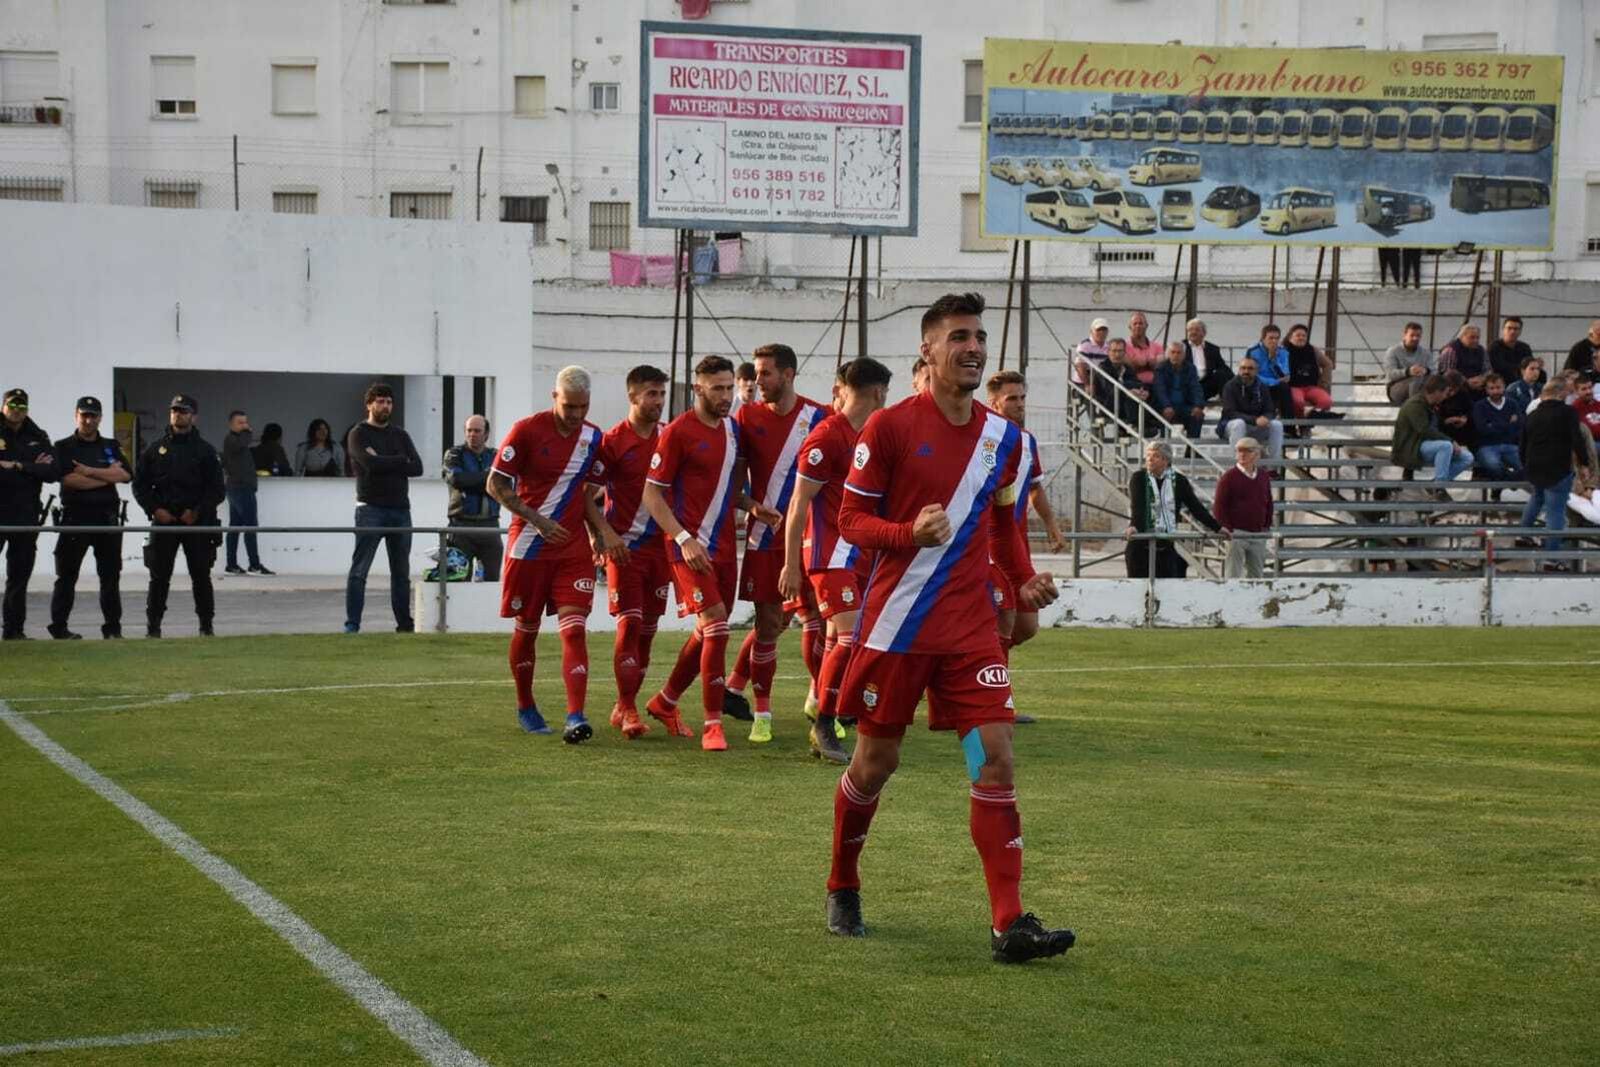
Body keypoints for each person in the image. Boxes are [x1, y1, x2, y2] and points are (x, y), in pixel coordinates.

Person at [825, 291, 1072, 963]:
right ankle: (843, 881)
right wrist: (908, 531)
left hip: (969, 633)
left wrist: (1021, 579)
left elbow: (1002, 524)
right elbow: (849, 522)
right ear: (928, 351)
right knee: (877, 763)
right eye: (958, 336)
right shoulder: (888, 429)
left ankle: (1008, 922)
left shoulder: (1006, 440)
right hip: (897, 628)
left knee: (991, 754)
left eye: (978, 335)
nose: (972, 346)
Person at [641, 355, 782, 752]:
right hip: (687, 548)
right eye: (716, 388)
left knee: (707, 631)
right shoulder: (677, 432)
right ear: (698, 388)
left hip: (722, 548)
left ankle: (666, 701)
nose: (725, 395)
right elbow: (652, 494)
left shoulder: (733, 432)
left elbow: (726, 490)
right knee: (718, 627)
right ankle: (712, 724)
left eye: (727, 387)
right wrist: (684, 538)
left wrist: (752, 506)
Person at [486, 366, 613, 742]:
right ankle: (526, 705)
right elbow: (495, 483)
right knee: (526, 630)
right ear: (554, 396)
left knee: (574, 631)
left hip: (572, 549)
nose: (575, 414)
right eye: (569, 405)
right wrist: (537, 520)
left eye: (583, 406)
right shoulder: (526, 430)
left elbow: (586, 496)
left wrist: (597, 532)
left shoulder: (593, 439)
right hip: (528, 545)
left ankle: (576, 715)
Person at [780, 356, 893, 763]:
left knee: (836, 640)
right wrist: (791, 565)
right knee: (851, 638)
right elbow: (798, 504)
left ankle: (825, 704)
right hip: (830, 557)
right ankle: (826, 723)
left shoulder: (871, 436)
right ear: (879, 391)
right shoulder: (827, 436)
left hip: (859, 556)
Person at [724, 343, 829, 742]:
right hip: (765, 538)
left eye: (765, 373)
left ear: (788, 375)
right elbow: (733, 485)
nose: (757, 381)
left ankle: (821, 701)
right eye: (755, 373)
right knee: (769, 624)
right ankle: (762, 714)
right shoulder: (746, 418)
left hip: (810, 539)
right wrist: (752, 507)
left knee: (818, 622)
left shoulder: (819, 417)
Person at [596, 365, 673, 740]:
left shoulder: (669, 438)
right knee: (629, 623)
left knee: (648, 630)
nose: (658, 401)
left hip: (661, 549)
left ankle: (624, 701)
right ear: (632, 396)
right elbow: (584, 497)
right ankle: (627, 706)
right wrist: (603, 535)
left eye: (661, 394)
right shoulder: (613, 441)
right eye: (651, 394)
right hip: (625, 549)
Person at [985, 370, 1064, 671]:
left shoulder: (1027, 441)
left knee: (1026, 624)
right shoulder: (986, 441)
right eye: (1012, 399)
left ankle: (974, 666)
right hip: (992, 543)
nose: (1020, 404)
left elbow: (1035, 487)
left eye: (1022, 398)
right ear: (994, 403)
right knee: (1004, 618)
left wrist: (1052, 526)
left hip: (1017, 542)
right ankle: (994, 697)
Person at [134, 394, 226, 638]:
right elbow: (140, 485)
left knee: (201, 576)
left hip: (196, 522)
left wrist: (196, 511)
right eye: (175, 410)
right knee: (159, 578)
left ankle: (206, 626)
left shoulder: (205, 451)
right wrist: (155, 510)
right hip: (164, 521)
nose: (178, 414)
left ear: (193, 416)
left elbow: (217, 490)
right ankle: (153, 628)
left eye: (183, 411)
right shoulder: (156, 449)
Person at [344, 382, 423, 634]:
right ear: (369, 404)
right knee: (359, 571)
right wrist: (400, 460)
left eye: (389, 402)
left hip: (400, 510)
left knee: (401, 573)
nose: (385, 406)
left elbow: (417, 467)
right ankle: (352, 624)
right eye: (380, 401)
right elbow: (368, 463)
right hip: (370, 510)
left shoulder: (400, 434)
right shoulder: (358, 433)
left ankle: (404, 625)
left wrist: (384, 460)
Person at [48, 396, 129, 639]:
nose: (88, 420)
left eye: (93, 415)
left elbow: (125, 475)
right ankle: (60, 628)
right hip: (75, 518)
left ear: (100, 418)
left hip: (106, 519)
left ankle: (112, 629)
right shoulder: (63, 447)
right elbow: (68, 479)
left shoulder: (110, 446)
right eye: (84, 414)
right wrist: (106, 477)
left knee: (110, 578)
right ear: (76, 416)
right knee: (66, 577)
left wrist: (89, 472)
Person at [0, 388, 57, 640]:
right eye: (13, 405)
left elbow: (52, 472)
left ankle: (14, 631)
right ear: (3, 405)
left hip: (25, 515)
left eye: (22, 406)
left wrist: (15, 465)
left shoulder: (37, 435)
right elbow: (40, 470)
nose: (17, 410)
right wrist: (32, 467)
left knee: (19, 577)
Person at [1520, 381, 1592, 571]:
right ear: (1560, 394)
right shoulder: (1568, 413)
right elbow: (1577, 439)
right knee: (1555, 512)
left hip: (1534, 467)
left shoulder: (1532, 415)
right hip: (1557, 467)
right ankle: (1552, 558)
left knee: (1536, 498)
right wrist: (1584, 463)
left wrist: (1525, 465)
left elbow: (1523, 444)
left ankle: (1522, 534)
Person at [1124, 440, 1219, 578]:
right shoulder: (1139, 478)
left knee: (1169, 585)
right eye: (1148, 455)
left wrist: (1217, 527)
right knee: (1138, 590)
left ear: (1166, 460)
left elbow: (1196, 507)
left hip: (1165, 544)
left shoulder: (1179, 481)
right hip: (1140, 545)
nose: (1150, 459)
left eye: (1155, 456)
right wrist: (1134, 525)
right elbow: (1138, 507)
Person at [442, 415, 502, 582]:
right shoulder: (454, 454)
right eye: (469, 430)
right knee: (458, 582)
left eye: (477, 431)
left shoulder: (496, 455)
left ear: (486, 434)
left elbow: (504, 484)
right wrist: (487, 478)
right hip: (461, 526)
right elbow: (457, 480)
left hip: (490, 526)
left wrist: (472, 480)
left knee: (491, 582)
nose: (472, 434)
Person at [1391, 375, 1473, 487]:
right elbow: (1424, 430)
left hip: (1426, 444)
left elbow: (1434, 428)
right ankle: (1439, 487)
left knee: (1467, 458)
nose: (1446, 396)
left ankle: (1435, 484)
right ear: (1437, 392)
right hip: (1413, 446)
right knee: (1446, 446)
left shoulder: (1431, 405)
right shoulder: (1414, 405)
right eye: (1445, 392)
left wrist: (1447, 422)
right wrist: (1451, 441)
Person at [1213, 437, 1272, 578]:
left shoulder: (1263, 476)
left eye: (1247, 451)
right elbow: (1219, 506)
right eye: (1239, 451)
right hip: (1237, 533)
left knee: (1257, 576)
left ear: (1257, 454)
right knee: (1233, 575)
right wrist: (1228, 529)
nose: (1242, 454)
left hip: (1258, 533)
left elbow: (1268, 502)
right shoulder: (1229, 477)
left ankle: (1255, 600)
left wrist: (1266, 525)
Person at [222, 410, 271, 576]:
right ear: (231, 424)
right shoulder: (232, 440)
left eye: (246, 422)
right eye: (240, 423)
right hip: (240, 488)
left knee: (235, 526)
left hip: (240, 487)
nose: (245, 426)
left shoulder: (237, 440)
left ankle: (231, 564)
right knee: (250, 525)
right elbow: (243, 443)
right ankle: (254, 565)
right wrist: (248, 432)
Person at [1219, 355, 1285, 461]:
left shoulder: (1262, 387)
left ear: (1256, 371)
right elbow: (1230, 412)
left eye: (1250, 368)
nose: (1246, 371)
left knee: (1277, 425)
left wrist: (1266, 418)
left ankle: (1273, 466)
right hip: (1232, 427)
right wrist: (1255, 420)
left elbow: (1270, 410)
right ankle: (1238, 465)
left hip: (1255, 427)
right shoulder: (1230, 386)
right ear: (1238, 369)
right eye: (1243, 368)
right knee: (1238, 423)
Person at [1096, 338, 1157, 435]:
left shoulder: (1127, 368)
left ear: (1124, 352)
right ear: (1108, 352)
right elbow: (1109, 389)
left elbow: (1137, 382)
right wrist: (1129, 391)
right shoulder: (1103, 367)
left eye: (1120, 351)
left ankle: (1148, 424)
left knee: (1150, 389)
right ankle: (1133, 424)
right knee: (1129, 388)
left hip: (1124, 404)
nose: (1117, 354)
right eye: (1114, 351)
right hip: (1108, 404)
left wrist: (1143, 391)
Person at [1470, 374, 1525, 479]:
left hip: (1510, 445)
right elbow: (1483, 430)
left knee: (1525, 465)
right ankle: (1511, 479)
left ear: (1504, 387)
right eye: (1491, 388)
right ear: (1486, 390)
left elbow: (1518, 427)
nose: (1495, 391)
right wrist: (1507, 423)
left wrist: (1493, 424)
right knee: (1493, 465)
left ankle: (1503, 483)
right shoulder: (1480, 406)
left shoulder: (1512, 404)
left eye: (1498, 387)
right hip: (1487, 446)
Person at [1284, 323, 1340, 420]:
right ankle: (1304, 424)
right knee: (1298, 402)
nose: (1301, 338)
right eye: (1298, 335)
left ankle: (1309, 420)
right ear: (1290, 337)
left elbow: (1328, 364)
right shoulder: (1283, 350)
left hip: (1311, 387)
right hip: (1293, 386)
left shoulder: (1313, 350)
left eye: (1304, 335)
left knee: (1326, 401)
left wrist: (1323, 382)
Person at [1152, 340, 1206, 437]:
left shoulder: (1190, 368)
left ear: (1184, 355)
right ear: (1168, 354)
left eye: (1179, 353)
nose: (1176, 355)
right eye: (1173, 352)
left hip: (1184, 405)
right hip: (1165, 406)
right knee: (1165, 414)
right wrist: (1166, 405)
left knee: (1197, 416)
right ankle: (1164, 447)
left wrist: (1198, 405)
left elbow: (1196, 388)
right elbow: (1160, 390)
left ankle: (1191, 451)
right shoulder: (1161, 368)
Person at [1247, 324, 1295, 425]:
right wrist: (1274, 382)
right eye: (1271, 338)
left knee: (1285, 388)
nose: (1274, 341)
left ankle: (1289, 427)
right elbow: (1252, 374)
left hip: (1277, 386)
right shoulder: (1253, 352)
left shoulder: (1283, 352)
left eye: (1277, 338)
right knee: (1263, 389)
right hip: (1259, 384)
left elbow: (1285, 376)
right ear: (1263, 338)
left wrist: (1274, 360)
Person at [1384, 322, 1436, 406]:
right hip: (1396, 388)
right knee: (1416, 380)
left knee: (1436, 382)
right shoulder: (1393, 351)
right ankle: (1413, 411)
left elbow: (1434, 371)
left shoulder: (1426, 353)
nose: (1415, 338)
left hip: (1420, 386)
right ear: (1404, 335)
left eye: (1418, 336)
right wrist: (1408, 372)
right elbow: (1390, 374)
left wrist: (1426, 371)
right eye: (1412, 335)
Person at [1183, 318, 1232, 402]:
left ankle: (1227, 402)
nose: (1193, 332)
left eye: (1197, 330)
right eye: (1190, 330)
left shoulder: (1212, 349)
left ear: (1204, 333)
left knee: (1221, 373)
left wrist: (1237, 380)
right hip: (1186, 385)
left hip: (1205, 385)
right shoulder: (1181, 347)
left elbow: (1223, 367)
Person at [1437, 324, 1489, 399]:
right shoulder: (1451, 350)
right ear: (1462, 337)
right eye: (1472, 337)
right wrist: (1466, 381)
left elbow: (1488, 370)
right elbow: (1447, 373)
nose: (1476, 340)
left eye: (1477, 338)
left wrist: (1482, 379)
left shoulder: (1482, 350)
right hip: (1455, 392)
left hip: (1479, 390)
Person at [1487, 316, 1533, 385]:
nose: (1512, 331)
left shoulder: (1525, 347)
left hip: (1521, 381)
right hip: (1500, 383)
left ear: (1520, 331)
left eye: (1516, 329)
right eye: (1509, 328)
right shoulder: (1494, 347)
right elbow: (1499, 368)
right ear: (1503, 330)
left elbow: (1529, 366)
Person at [1124, 311, 1161, 386]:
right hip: (1133, 386)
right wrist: (1150, 364)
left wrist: (1140, 364)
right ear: (1130, 327)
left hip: (1155, 386)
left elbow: (1160, 366)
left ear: (1146, 325)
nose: (1138, 326)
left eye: (1141, 323)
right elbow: (1130, 367)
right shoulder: (1123, 346)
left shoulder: (1158, 346)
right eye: (1135, 323)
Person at [1073, 317, 1110, 388]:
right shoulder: (1085, 345)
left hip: (1099, 380)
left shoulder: (1109, 346)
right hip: (1083, 381)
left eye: (1104, 330)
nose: (1101, 332)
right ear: (1091, 331)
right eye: (1098, 330)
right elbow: (1080, 366)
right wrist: (1088, 384)